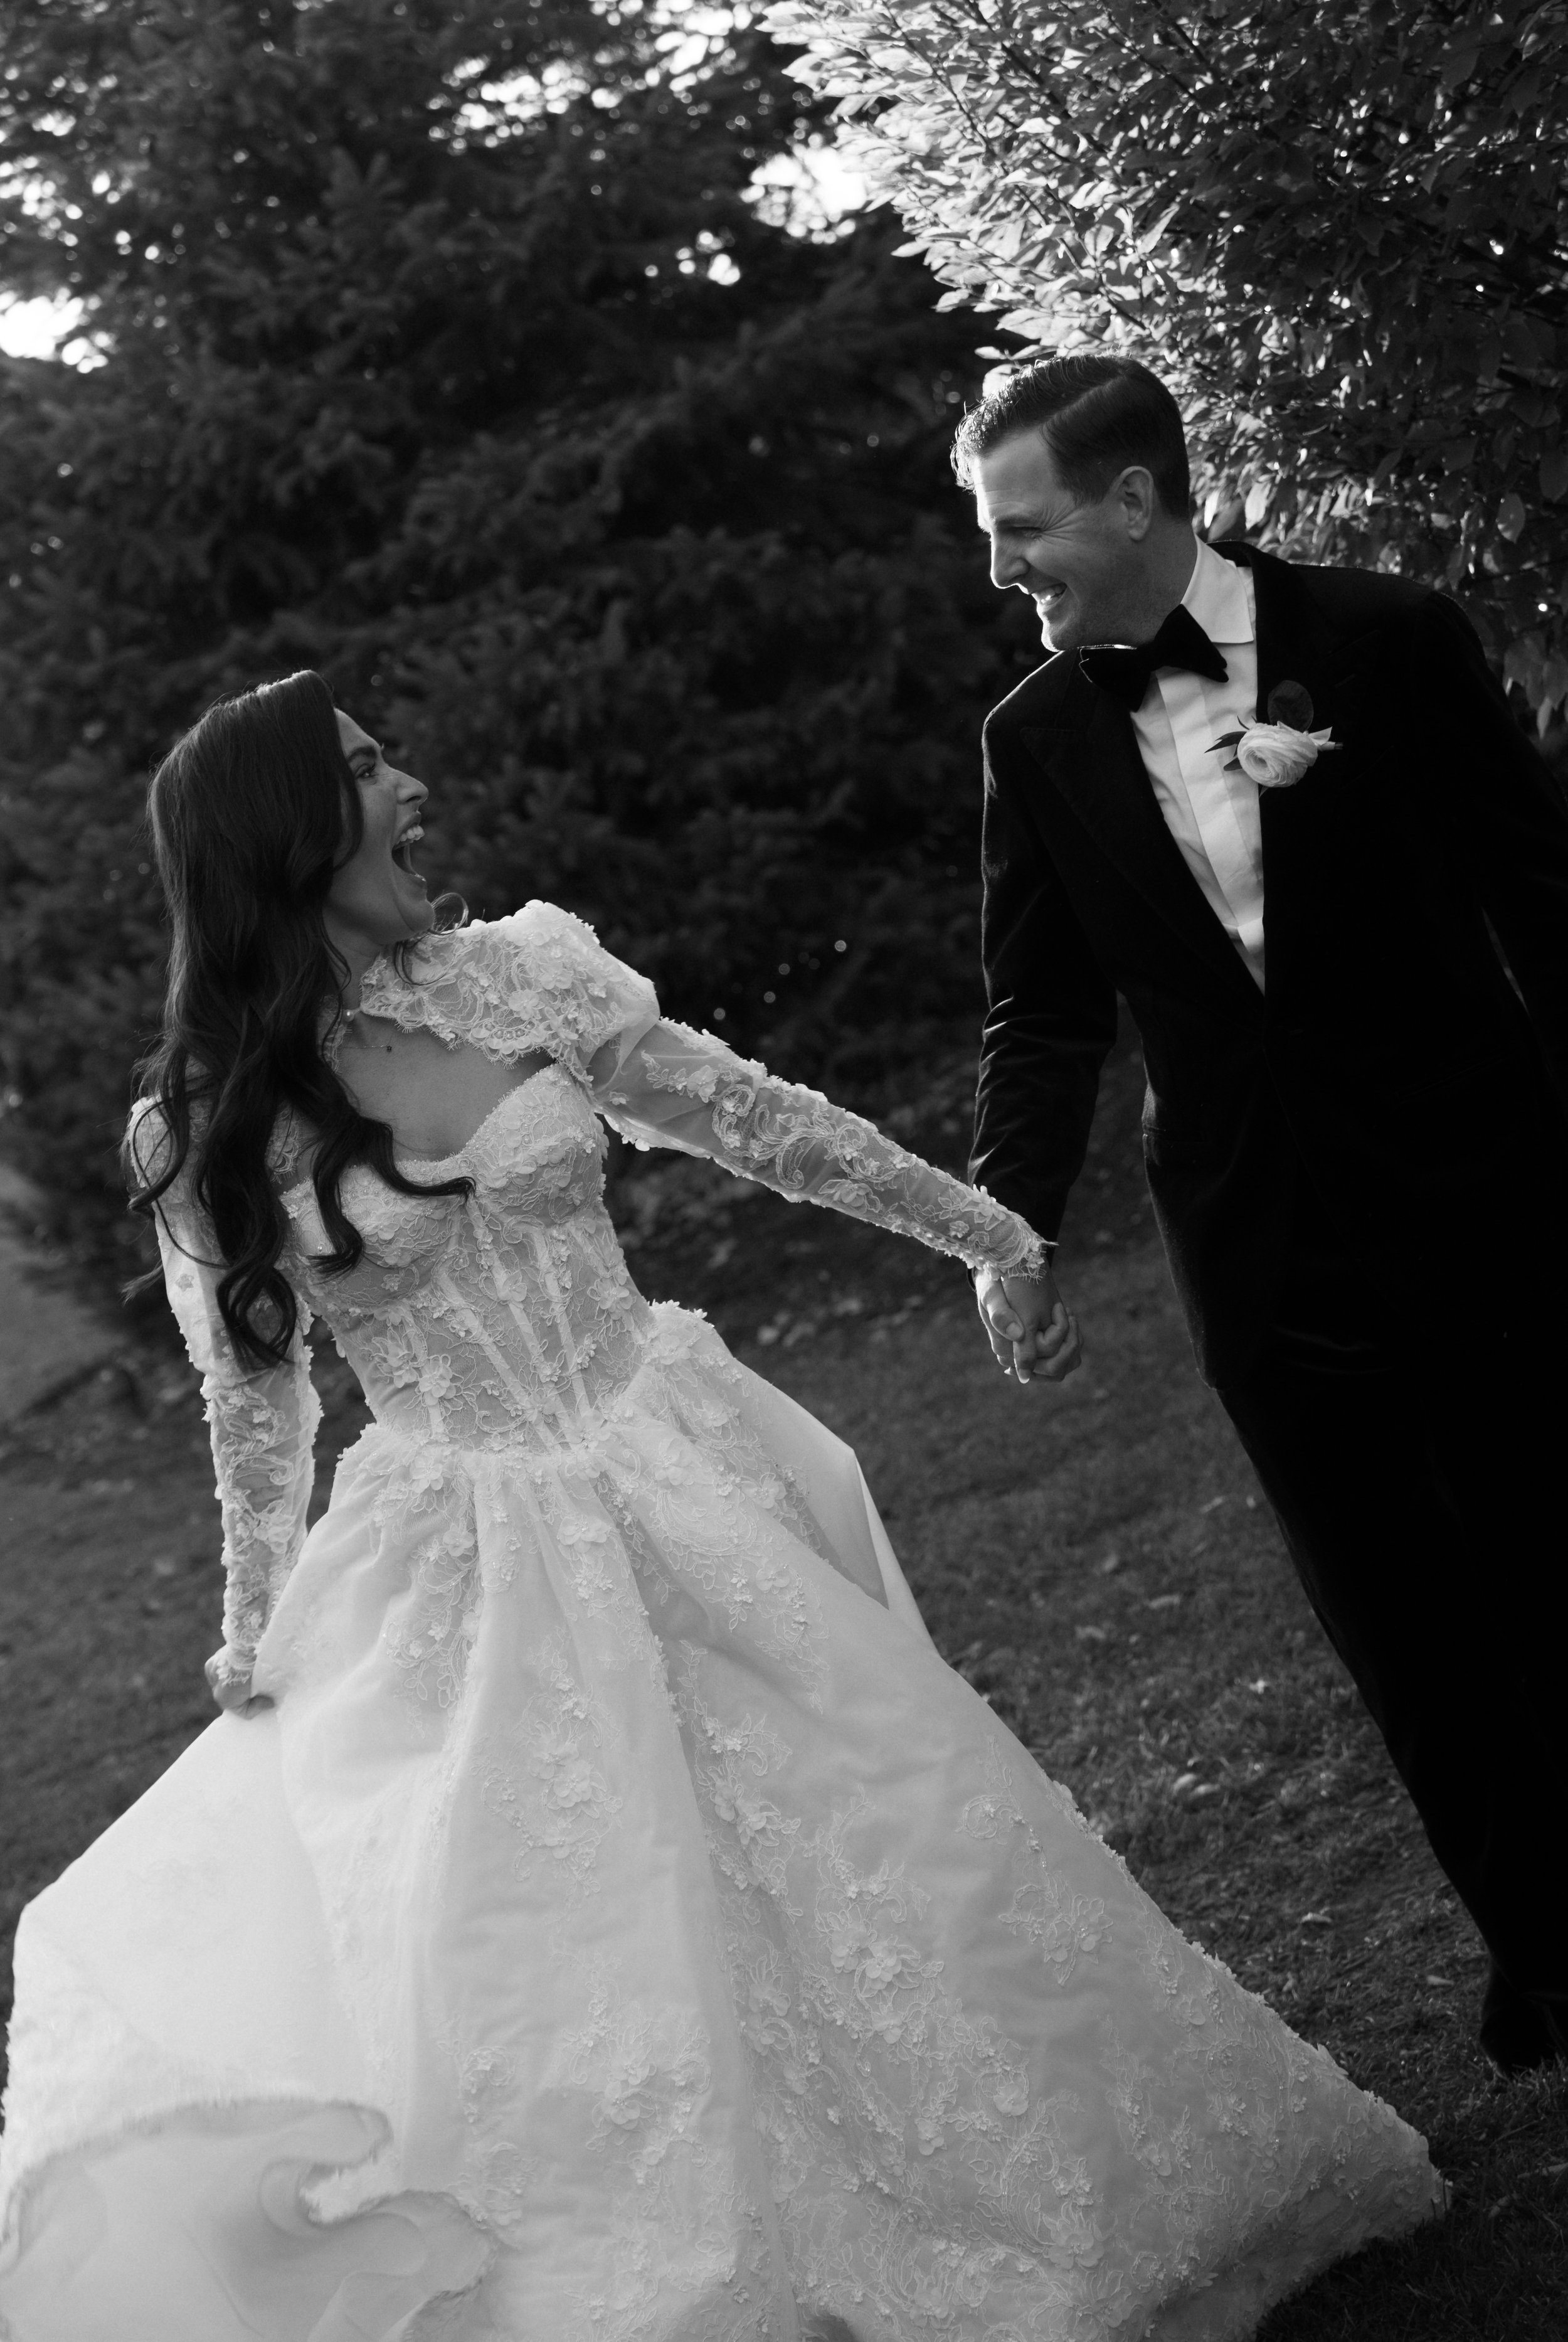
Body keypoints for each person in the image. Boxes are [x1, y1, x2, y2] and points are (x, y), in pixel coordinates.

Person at [0, 671, 1441, 2341]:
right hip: (464, 1554)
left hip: (674, 1467)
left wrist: (985, 1233)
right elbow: (256, 1407)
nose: (413, 786)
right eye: (368, 769)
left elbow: (757, 1123)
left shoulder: (527, 974)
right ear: (283, 836)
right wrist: (253, 1621)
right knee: (554, 1929)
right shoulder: (208, 1127)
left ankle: (1008, 2178)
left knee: (874, 1823)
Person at [963, 352, 1568, 2082]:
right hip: (1254, 1243)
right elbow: (1041, 1013)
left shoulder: (1385, 637)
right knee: (1396, 1616)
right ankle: (1544, 1949)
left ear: (1133, 498)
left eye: (1024, 529)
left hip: (1483, 1191)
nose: (1003, 570)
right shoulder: (1031, 737)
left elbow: (1539, 892)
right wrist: (1010, 1221)